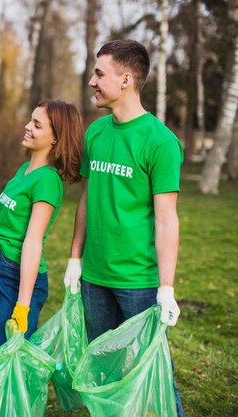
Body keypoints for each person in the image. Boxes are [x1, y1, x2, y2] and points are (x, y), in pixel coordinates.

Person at [63, 39, 185, 416]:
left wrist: (166, 287)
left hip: (138, 281)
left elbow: (167, 218)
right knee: (103, 370)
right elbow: (87, 198)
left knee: (150, 371)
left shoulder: (160, 142)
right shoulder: (97, 134)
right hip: (94, 277)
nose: (91, 82)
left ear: (127, 79)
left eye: (100, 74)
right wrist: (74, 258)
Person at [0, 100, 84, 351]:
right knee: (3, 348)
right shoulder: (25, 169)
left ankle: (15, 392)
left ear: (56, 138)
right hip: (4, 265)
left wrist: (23, 305)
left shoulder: (47, 181)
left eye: (37, 125)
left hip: (19, 274)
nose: (27, 127)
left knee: (10, 352)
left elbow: (33, 241)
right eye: (30, 120)